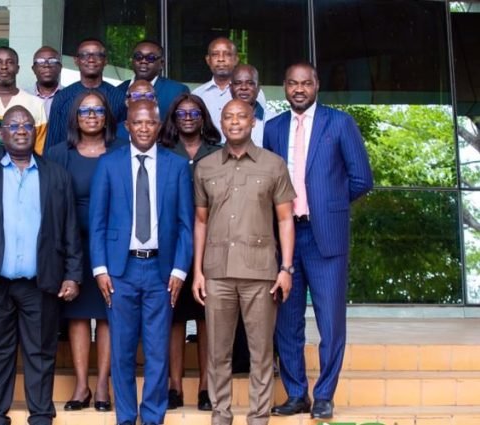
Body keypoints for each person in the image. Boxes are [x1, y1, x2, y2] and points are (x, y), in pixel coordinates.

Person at [0, 105, 82, 425]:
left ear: (35, 132)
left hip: (40, 281)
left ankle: (40, 414)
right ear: (2, 134)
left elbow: (70, 228)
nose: (21, 130)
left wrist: (72, 274)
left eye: (27, 125)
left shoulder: (55, 174)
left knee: (40, 350)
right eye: (13, 126)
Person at [268, 62, 374, 421]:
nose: (299, 89)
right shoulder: (273, 128)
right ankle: (296, 394)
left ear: (317, 85)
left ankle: (325, 395)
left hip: (325, 235)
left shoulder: (339, 123)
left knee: (330, 321)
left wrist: (328, 206)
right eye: (292, 83)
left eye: (306, 83)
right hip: (285, 238)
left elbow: (362, 179)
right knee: (287, 322)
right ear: (284, 87)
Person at [89, 100, 194, 425]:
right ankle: (125, 417)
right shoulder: (109, 164)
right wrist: (100, 269)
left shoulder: (177, 166)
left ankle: (152, 417)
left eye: (150, 123)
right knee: (121, 349)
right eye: (138, 122)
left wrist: (180, 270)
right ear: (128, 126)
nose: (144, 128)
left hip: (162, 271)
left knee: (157, 349)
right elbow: (97, 222)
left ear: (159, 126)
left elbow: (186, 225)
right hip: (120, 271)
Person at [193, 99, 295, 425]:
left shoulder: (273, 165)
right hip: (217, 272)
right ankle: (221, 415)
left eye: (241, 116)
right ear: (221, 122)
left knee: (261, 353)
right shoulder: (206, 166)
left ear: (253, 122)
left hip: (261, 273)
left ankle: (258, 418)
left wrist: (286, 268)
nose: (235, 121)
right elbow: (200, 221)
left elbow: (285, 219)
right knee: (217, 352)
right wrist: (197, 272)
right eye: (228, 117)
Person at [45, 89, 122, 413]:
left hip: (112, 246)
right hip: (72, 246)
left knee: (107, 314)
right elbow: (49, 203)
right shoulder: (58, 153)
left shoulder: (121, 150)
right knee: (76, 314)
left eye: (98, 110)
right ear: (75, 117)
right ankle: (81, 385)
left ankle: (102, 384)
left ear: (108, 117)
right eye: (85, 111)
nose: (92, 116)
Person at [158, 92, 221, 412]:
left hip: (212, 244)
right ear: (173, 118)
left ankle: (207, 386)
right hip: (172, 244)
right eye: (181, 113)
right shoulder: (163, 151)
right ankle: (175, 386)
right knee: (175, 316)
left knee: (208, 317)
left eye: (193, 113)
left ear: (203, 117)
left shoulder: (218, 152)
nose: (187, 118)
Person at [45, 38, 127, 151]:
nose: (91, 59)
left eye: (97, 55)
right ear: (76, 60)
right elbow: (52, 142)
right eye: (84, 55)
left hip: (110, 159)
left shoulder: (119, 98)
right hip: (68, 160)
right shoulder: (62, 97)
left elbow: (123, 141)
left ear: (105, 61)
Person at [192, 37, 268, 137]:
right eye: (215, 54)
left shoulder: (251, 92)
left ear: (236, 59)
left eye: (227, 54)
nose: (221, 59)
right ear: (208, 60)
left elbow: (260, 125)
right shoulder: (198, 94)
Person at [0, 46, 48, 154]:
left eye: (10, 62)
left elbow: (40, 148)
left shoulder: (36, 103)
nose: (4, 67)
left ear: (17, 68)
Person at [116, 40, 189, 118]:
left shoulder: (177, 91)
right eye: (138, 57)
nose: (143, 61)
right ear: (132, 61)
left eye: (150, 58)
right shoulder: (118, 91)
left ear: (162, 63)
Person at [229, 64, 274, 147]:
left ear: (258, 88)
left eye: (250, 83)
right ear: (230, 88)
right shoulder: (221, 119)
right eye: (238, 83)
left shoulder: (273, 121)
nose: (243, 87)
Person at [30, 46, 64, 117]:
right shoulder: (23, 96)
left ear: (60, 68)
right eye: (40, 61)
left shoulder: (70, 96)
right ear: (33, 69)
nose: (46, 65)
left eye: (52, 61)